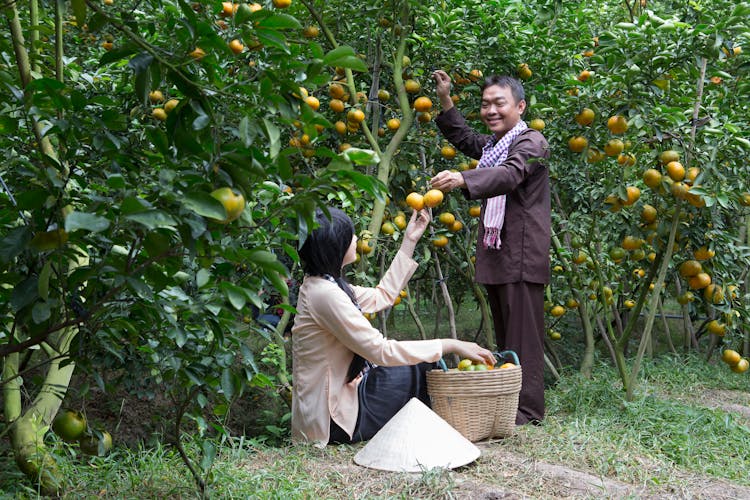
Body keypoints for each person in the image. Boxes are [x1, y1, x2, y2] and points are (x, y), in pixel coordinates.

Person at [291, 206, 496, 446]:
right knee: (418, 364)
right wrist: (451, 344)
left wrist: (409, 240)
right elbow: (381, 351)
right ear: (334, 247)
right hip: (331, 420)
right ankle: (427, 432)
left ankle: (422, 429)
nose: (357, 239)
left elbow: (382, 295)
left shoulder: (325, 285)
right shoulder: (325, 294)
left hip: (341, 400)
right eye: (350, 236)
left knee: (416, 362)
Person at [429, 70, 551, 425]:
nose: (491, 110)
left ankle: (527, 411)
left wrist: (463, 178)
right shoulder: (496, 145)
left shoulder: (532, 144)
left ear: (520, 106)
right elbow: (466, 138)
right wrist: (445, 98)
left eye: (500, 103)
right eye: (486, 104)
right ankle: (506, 401)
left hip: (522, 253)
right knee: (506, 332)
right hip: (501, 251)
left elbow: (511, 174)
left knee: (523, 336)